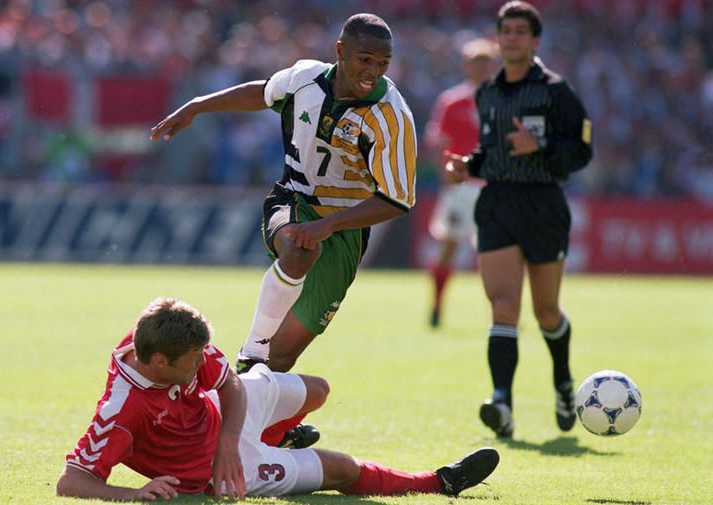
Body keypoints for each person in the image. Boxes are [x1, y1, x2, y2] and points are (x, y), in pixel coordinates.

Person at [150, 12, 416, 377]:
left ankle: (266, 421)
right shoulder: (304, 78)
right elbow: (262, 93)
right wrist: (199, 105)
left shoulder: (392, 117)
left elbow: (397, 200)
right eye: (364, 60)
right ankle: (252, 350)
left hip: (346, 230)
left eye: (382, 64)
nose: (372, 72)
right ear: (340, 50)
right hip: (293, 199)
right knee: (300, 247)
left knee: (283, 359)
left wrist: (331, 225)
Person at [56, 297, 500, 501]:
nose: (200, 367)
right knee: (342, 469)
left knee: (319, 390)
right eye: (191, 364)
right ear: (156, 359)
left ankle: (280, 436)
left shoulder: (174, 334)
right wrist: (134, 494)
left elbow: (228, 384)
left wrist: (229, 437)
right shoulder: (120, 410)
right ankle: (440, 482)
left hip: (229, 427)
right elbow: (71, 482)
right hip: (223, 472)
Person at [445, 1, 593, 438]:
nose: (511, 38)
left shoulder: (555, 91)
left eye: (519, 31)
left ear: (534, 40)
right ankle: (502, 402)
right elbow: (490, 154)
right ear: (498, 38)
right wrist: (466, 167)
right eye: (505, 30)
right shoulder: (487, 92)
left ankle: (563, 382)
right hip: (496, 205)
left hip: (543, 205)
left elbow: (582, 152)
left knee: (546, 311)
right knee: (503, 306)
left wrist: (541, 149)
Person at [425, 37, 499, 327]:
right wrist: (447, 175)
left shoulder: (503, 100)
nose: (480, 68)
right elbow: (439, 143)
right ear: (466, 66)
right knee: (449, 247)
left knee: (495, 253)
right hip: (462, 187)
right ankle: (437, 306)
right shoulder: (452, 101)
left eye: (485, 62)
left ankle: (502, 314)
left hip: (493, 188)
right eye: (475, 62)